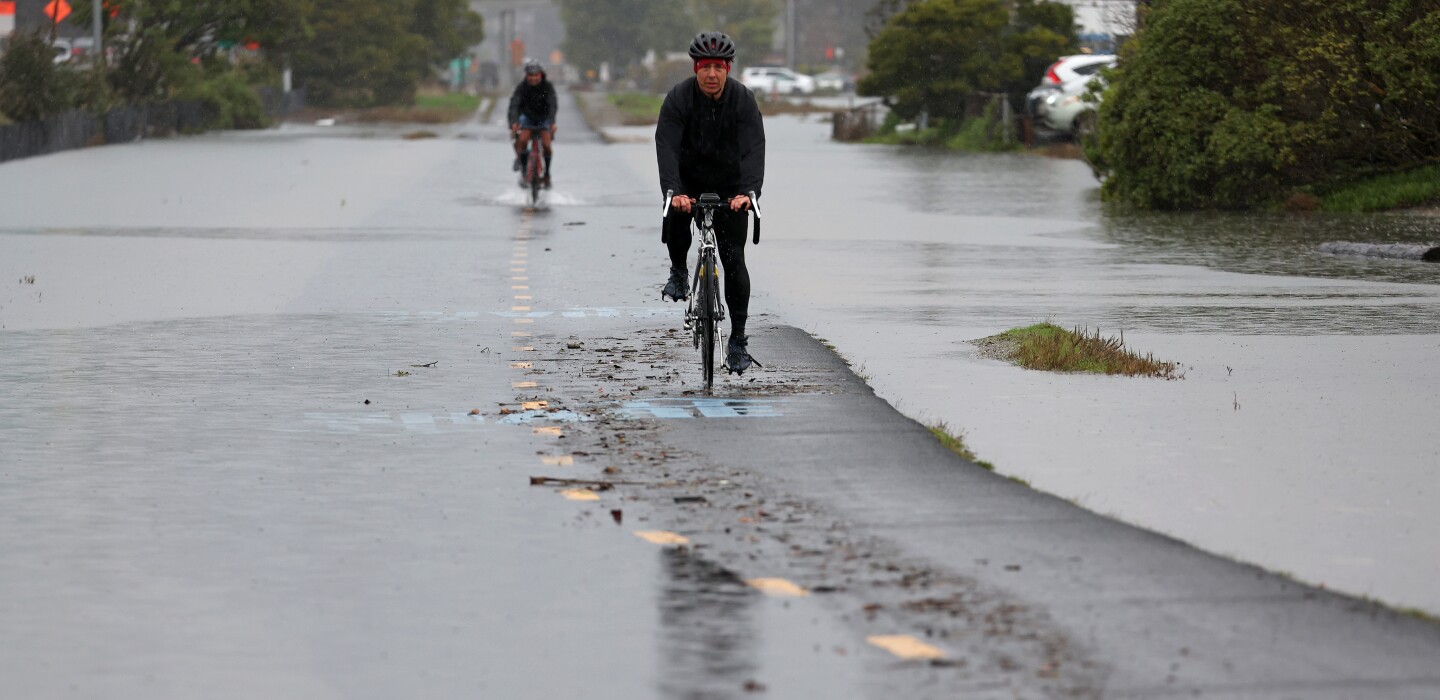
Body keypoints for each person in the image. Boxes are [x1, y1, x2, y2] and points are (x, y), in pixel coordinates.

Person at [656, 31, 766, 375]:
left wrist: (748, 193)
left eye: (718, 67)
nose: (712, 74)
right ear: (695, 68)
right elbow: (667, 146)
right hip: (688, 181)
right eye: (705, 67)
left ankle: (738, 341)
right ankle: (677, 269)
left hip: (730, 187)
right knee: (675, 212)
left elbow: (753, 148)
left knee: (734, 259)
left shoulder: (743, 100)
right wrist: (674, 190)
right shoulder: (678, 98)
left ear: (728, 68)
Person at [508, 58, 558, 187]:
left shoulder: (547, 87)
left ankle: (547, 174)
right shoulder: (522, 87)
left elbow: (553, 104)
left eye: (536, 75)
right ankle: (524, 171)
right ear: (526, 76)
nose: (533, 78)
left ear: (541, 75)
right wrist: (513, 122)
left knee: (547, 145)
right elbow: (514, 105)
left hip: (544, 118)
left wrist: (552, 121)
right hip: (527, 118)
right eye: (530, 75)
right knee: (522, 140)